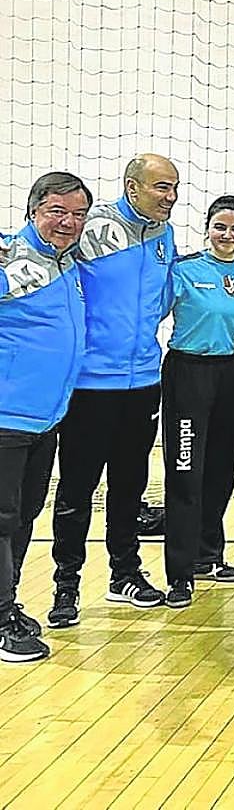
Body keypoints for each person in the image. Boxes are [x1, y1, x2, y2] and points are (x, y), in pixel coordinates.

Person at [49, 154, 179, 626]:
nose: (170, 197)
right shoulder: (93, 227)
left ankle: (125, 573)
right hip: (88, 385)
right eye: (162, 187)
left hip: (144, 381)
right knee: (77, 489)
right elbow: (43, 254)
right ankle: (66, 586)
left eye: (174, 188)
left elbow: (163, 297)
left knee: (130, 484)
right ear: (132, 186)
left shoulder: (164, 233)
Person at [0, 172, 90, 660]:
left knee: (23, 517)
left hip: (44, 418)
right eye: (57, 212)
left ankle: (6, 603)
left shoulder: (67, 263)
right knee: (1, 519)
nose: (68, 223)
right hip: (5, 417)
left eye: (78, 215)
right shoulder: (12, 257)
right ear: (33, 210)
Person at [161, 196, 234, 607]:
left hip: (229, 373)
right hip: (188, 373)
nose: (228, 235)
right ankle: (180, 575)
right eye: (221, 226)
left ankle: (209, 555)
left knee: (221, 468)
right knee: (186, 471)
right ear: (207, 228)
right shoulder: (183, 270)